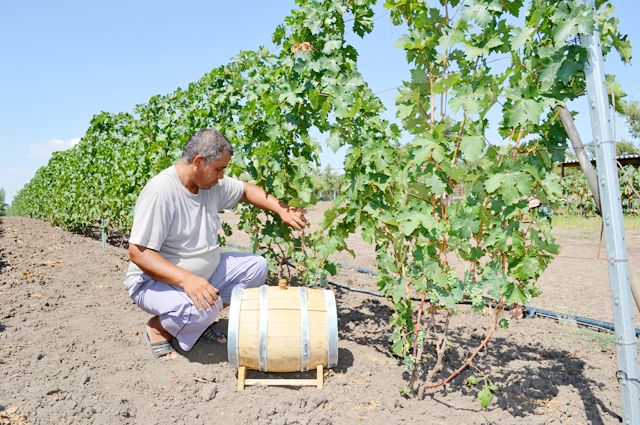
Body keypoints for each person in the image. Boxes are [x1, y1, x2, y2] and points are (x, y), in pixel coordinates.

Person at [124, 128, 308, 359]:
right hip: (152, 282)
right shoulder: (161, 192)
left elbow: (246, 191)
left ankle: (197, 320)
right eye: (219, 169)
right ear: (199, 162)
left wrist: (282, 209)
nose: (221, 176)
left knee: (257, 267)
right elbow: (139, 254)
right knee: (203, 309)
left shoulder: (210, 185)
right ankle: (158, 329)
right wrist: (188, 280)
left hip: (201, 275)